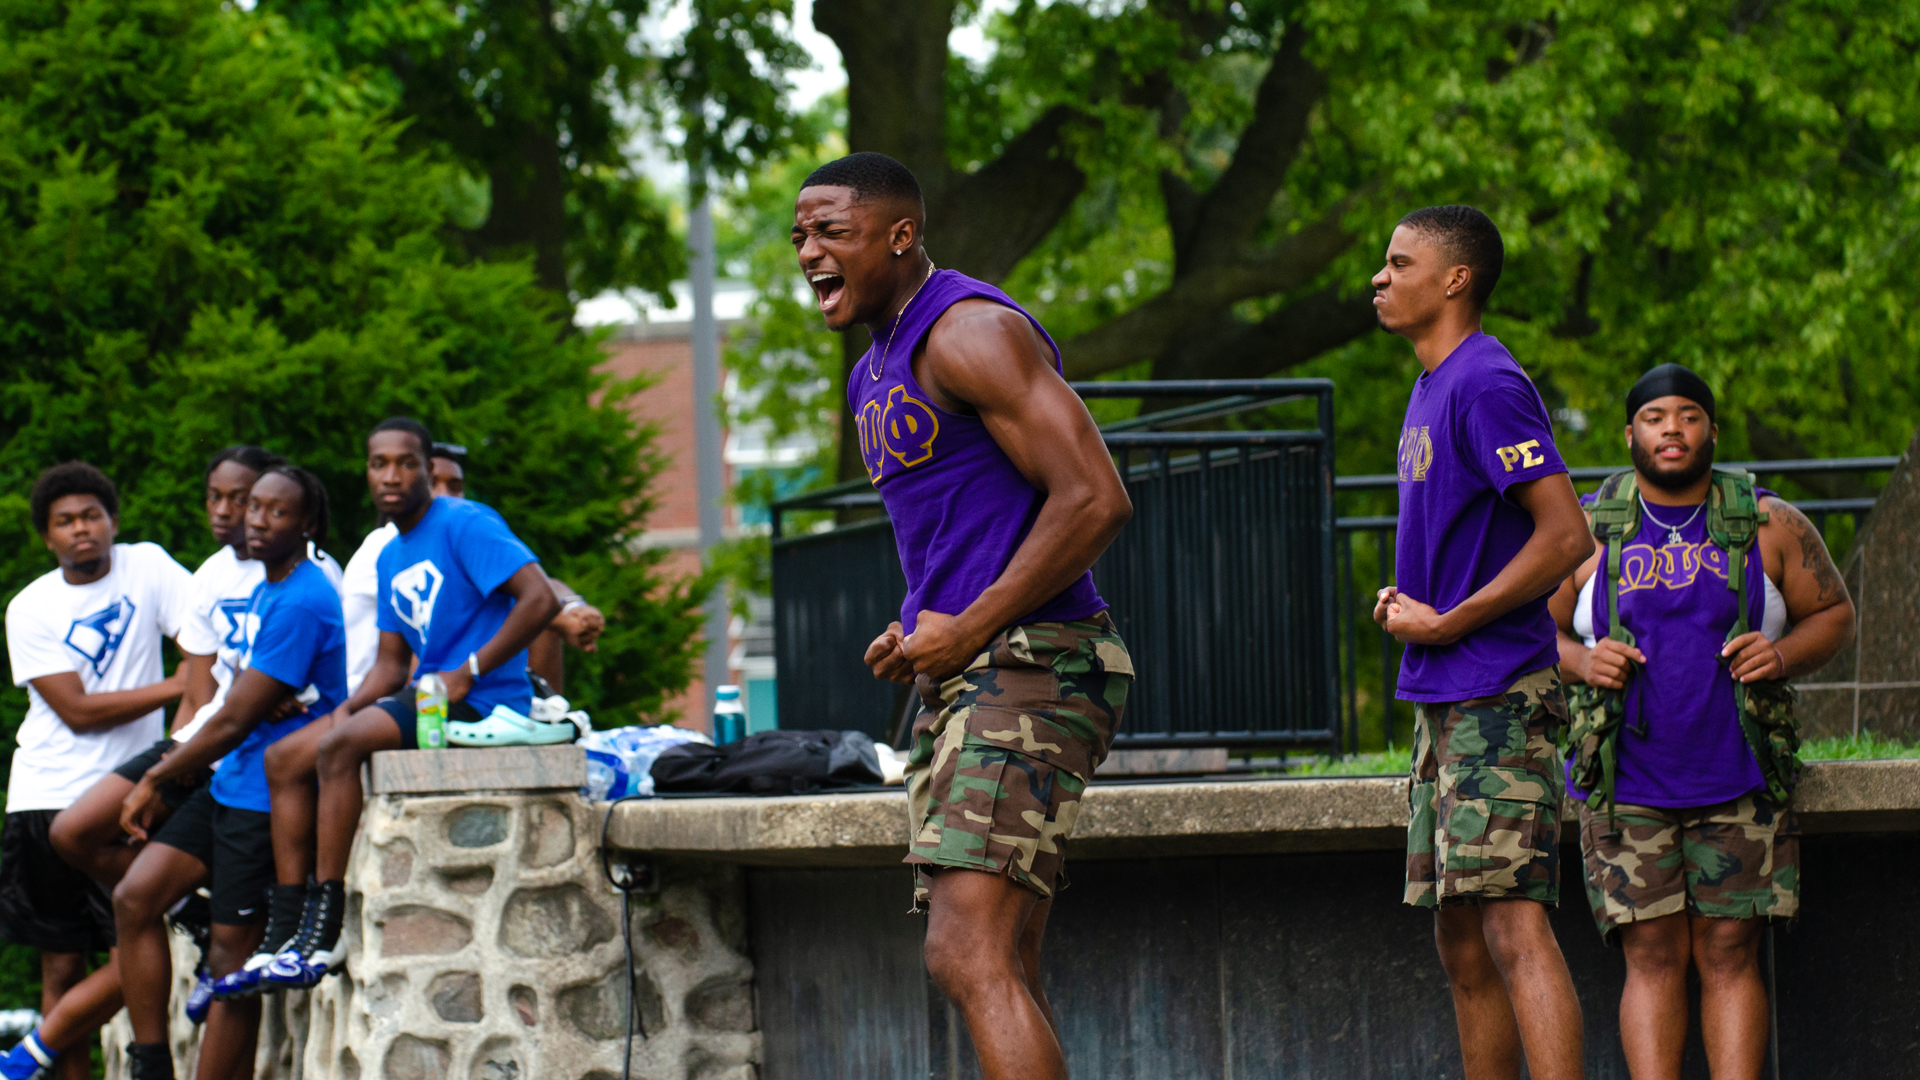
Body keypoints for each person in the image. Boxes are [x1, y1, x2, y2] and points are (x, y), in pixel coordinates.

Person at [794, 152, 1134, 1080]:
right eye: (800, 237)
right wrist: (922, 624)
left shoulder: (968, 331)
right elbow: (972, 523)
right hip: (979, 665)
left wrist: (969, 625)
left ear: (900, 235)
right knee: (1004, 957)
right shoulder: (875, 367)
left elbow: (1096, 498)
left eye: (832, 231)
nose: (809, 252)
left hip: (1037, 662)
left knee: (963, 951)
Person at [1550, 365, 1854, 1079]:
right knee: (1650, 957)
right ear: (1630, 434)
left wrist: (1779, 653)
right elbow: (1535, 631)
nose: (1673, 430)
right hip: (1626, 780)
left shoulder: (1769, 520)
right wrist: (1581, 662)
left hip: (1739, 775)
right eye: (1656, 418)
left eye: (1689, 416)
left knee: (1729, 952)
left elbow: (1835, 613)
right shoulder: (1589, 527)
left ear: (1712, 430)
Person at [1370, 206, 1595, 1080]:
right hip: (1444, 696)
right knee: (1459, 936)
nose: (1379, 279)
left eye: (1399, 263)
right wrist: (1413, 603)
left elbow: (1566, 536)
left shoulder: (1485, 380)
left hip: (1500, 691)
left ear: (1454, 278)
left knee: (1510, 924)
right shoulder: (1431, 385)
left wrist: (1450, 619)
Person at [241, 418, 557, 992]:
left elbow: (540, 599)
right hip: (430, 696)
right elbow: (390, 664)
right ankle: (290, 924)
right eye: (378, 463)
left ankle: (327, 924)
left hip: (484, 701)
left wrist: (470, 671)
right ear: (366, 472)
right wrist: (350, 706)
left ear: (428, 470)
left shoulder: (465, 522)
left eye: (405, 463)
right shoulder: (390, 555)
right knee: (296, 750)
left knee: (339, 748)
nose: (391, 475)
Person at [108, 464, 344, 1080]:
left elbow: (235, 716)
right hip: (230, 781)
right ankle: (151, 1060)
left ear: (309, 524)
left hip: (268, 799)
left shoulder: (303, 598)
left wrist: (157, 777)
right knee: (135, 897)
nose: (258, 520)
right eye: (254, 508)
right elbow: (241, 695)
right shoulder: (271, 587)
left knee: (232, 958)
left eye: (278, 511)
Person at [0, 464, 197, 1080]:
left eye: (91, 516)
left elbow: (206, 637)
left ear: (113, 521)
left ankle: (26, 1056)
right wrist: (173, 685)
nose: (81, 530)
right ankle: (44, 1061)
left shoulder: (150, 567)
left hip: (121, 800)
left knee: (132, 952)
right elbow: (78, 711)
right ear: (48, 537)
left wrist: (181, 740)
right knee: (60, 967)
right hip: (44, 796)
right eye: (65, 522)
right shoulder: (30, 607)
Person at [428, 441, 605, 693]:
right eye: (432, 484)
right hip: (423, 694)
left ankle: (549, 716)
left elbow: (543, 587)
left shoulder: (467, 534)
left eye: (455, 488)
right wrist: (563, 621)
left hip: (472, 690)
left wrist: (575, 608)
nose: (444, 495)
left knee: (531, 606)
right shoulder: (392, 546)